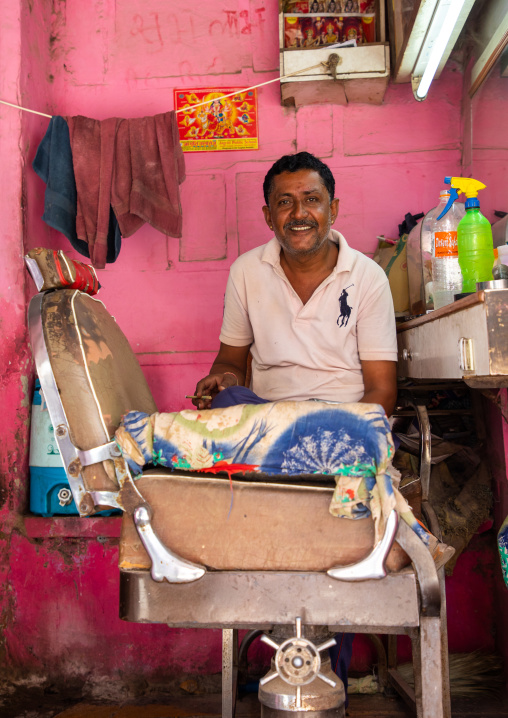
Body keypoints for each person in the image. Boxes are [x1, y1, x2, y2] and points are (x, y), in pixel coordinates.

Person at [192, 152, 397, 703]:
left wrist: (361, 440)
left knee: (341, 526)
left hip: (338, 428)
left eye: (310, 200)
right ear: (268, 215)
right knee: (227, 406)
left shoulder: (368, 277)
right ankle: (261, 650)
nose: (298, 213)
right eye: (284, 202)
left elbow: (381, 388)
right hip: (269, 425)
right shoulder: (246, 272)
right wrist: (219, 381)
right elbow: (230, 361)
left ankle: (333, 671)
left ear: (334, 207)